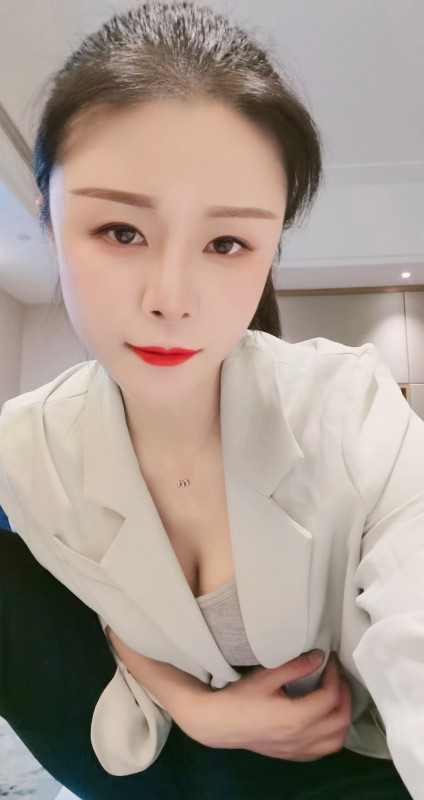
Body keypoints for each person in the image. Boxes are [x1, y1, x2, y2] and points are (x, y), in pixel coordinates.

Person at [0, 2, 420, 797]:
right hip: (163, 746)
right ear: (48, 218)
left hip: (348, 752)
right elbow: (102, 604)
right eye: (121, 231)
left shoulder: (353, 412)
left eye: (227, 243)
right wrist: (196, 708)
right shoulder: (26, 450)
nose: (171, 298)